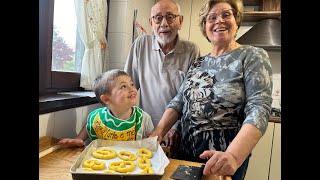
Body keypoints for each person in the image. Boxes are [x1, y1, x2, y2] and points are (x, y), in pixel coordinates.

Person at [148, 0, 273, 180]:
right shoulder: (199, 62)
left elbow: (259, 108)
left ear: (236, 20)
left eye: (226, 15)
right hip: (185, 154)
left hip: (222, 158)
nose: (219, 21)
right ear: (205, 26)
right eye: (212, 17)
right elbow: (179, 101)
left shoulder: (252, 56)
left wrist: (234, 156)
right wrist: (158, 132)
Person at [124, 0, 200, 156]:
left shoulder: (192, 50)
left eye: (170, 17)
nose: (164, 23)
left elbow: (191, 98)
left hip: (177, 133)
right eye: (158, 18)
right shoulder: (141, 44)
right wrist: (123, 122)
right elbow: (127, 87)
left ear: (180, 21)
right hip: (146, 129)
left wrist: (174, 127)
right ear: (151, 22)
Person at [58, 69, 154, 146]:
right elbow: (90, 124)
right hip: (104, 164)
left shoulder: (144, 119)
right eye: (123, 86)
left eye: (131, 84)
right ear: (106, 99)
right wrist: (79, 139)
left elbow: (151, 144)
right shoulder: (98, 118)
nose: (132, 89)